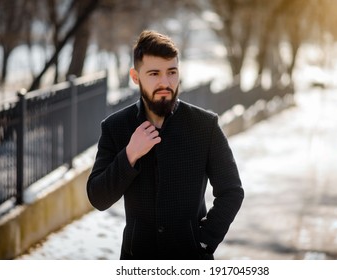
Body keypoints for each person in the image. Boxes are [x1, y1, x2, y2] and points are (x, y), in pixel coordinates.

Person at [86, 30, 244, 260]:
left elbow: (231, 191)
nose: (165, 82)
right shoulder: (116, 127)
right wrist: (130, 154)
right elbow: (98, 198)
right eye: (154, 74)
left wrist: (204, 241)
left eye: (172, 72)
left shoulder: (205, 126)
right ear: (135, 76)